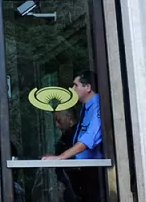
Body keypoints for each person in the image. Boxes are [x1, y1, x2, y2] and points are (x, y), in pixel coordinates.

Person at [42, 70, 104, 201]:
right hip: (84, 173)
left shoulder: (99, 106)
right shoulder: (86, 108)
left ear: (88, 87)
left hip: (96, 173)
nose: (72, 89)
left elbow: (89, 139)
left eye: (76, 85)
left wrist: (61, 157)